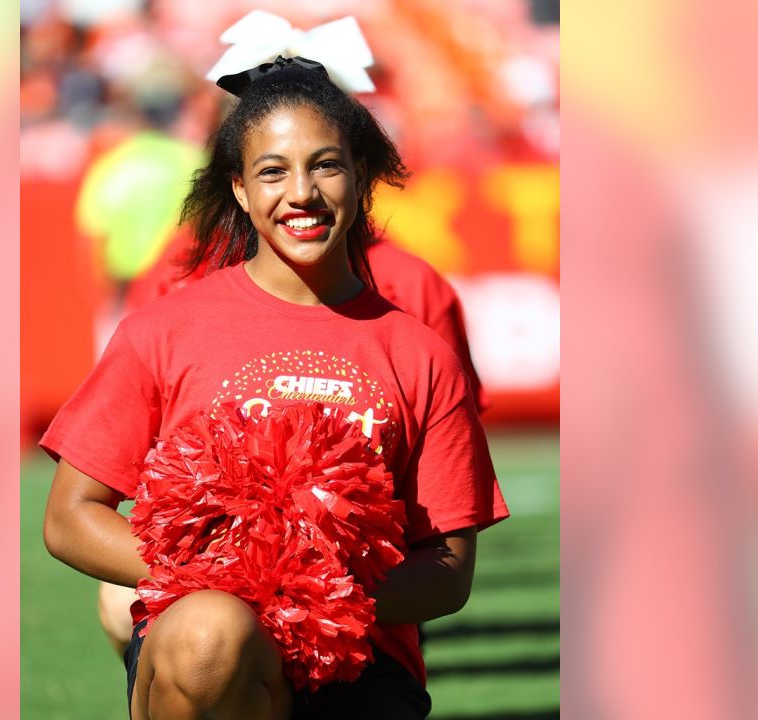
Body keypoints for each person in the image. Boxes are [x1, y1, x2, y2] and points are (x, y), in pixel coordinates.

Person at [41, 55, 508, 720]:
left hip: (362, 657)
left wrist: (317, 596)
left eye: (325, 165)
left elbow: (450, 568)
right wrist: (236, 579)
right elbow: (69, 518)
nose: (303, 193)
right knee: (209, 634)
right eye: (272, 171)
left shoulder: (419, 351)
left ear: (360, 174)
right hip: (205, 640)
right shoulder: (163, 329)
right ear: (237, 188)